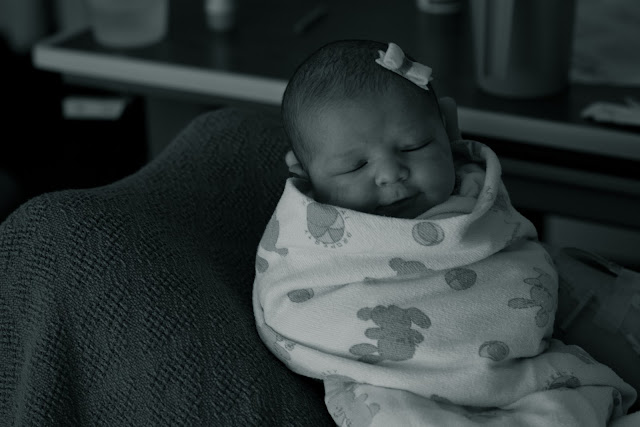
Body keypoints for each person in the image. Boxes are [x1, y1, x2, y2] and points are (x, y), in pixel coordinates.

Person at [253, 40, 637, 426]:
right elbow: (293, 303)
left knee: (570, 408)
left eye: (414, 146)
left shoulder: (476, 198)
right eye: (355, 166)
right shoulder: (307, 240)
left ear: (448, 128)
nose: (391, 173)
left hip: (524, 375)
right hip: (396, 386)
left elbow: (520, 263)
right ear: (303, 171)